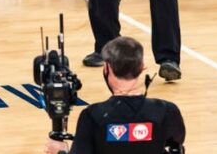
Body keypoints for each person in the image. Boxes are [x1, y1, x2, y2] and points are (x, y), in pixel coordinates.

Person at [44, 37, 186, 154]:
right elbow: (176, 144)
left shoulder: (92, 116)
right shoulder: (166, 111)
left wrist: (61, 152)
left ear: (107, 68)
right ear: (142, 67)